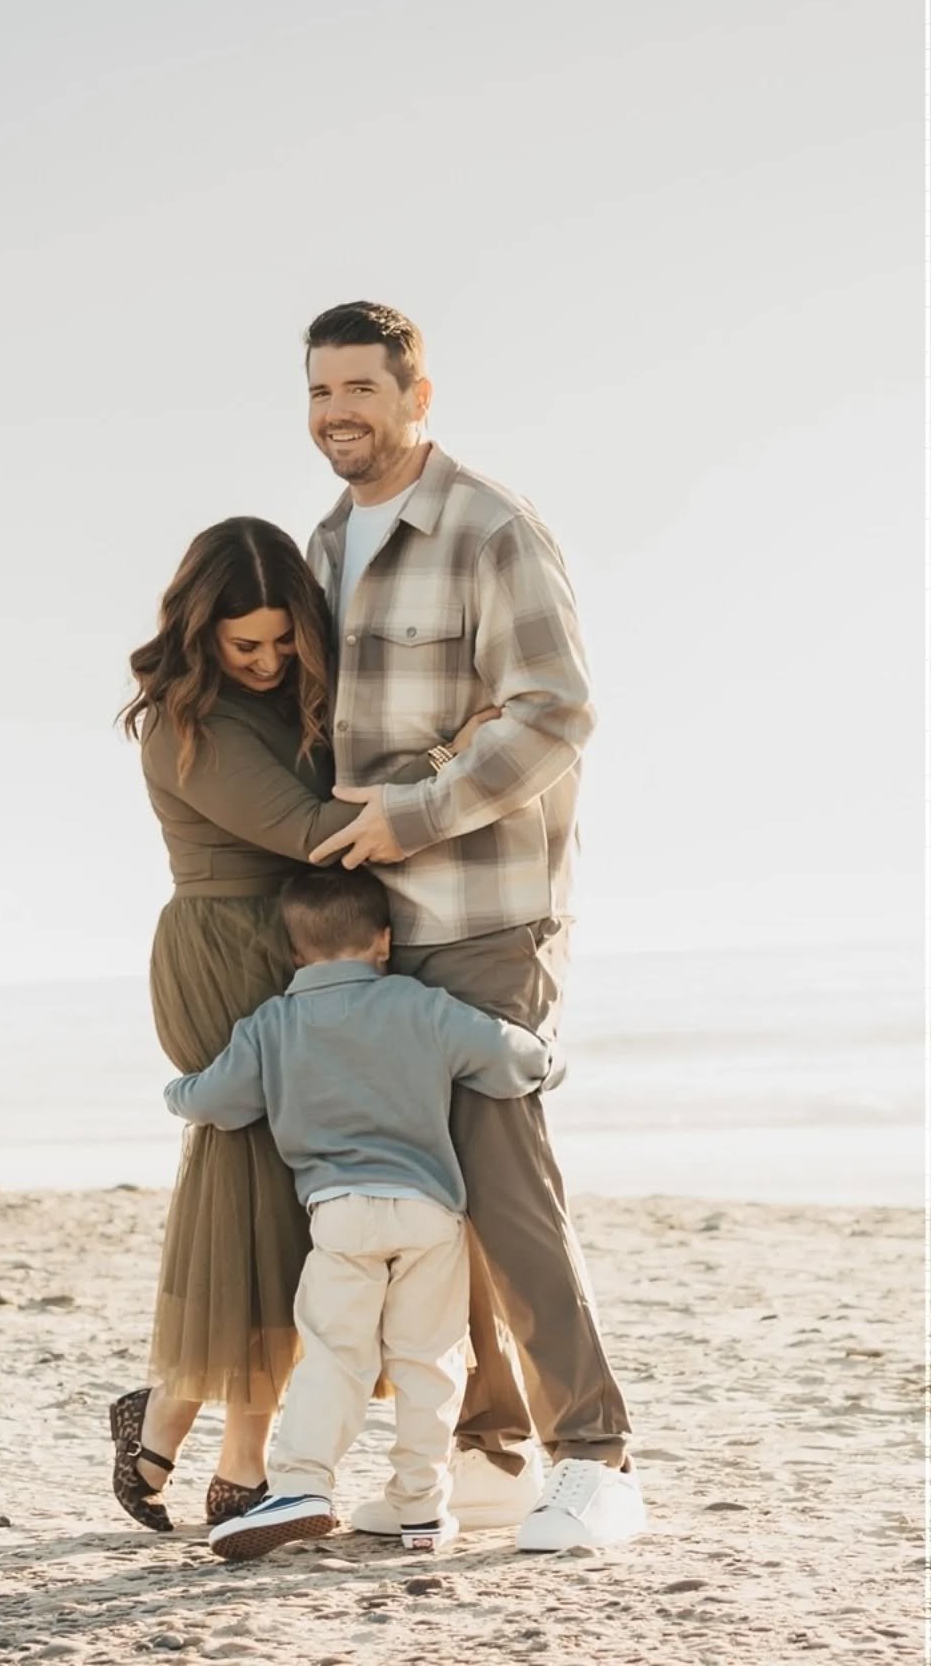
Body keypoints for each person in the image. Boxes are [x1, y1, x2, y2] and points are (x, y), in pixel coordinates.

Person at [301, 300, 647, 1552]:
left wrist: (418, 814)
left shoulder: (490, 527)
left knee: (505, 1181)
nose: (338, 413)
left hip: (488, 910)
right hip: (374, 928)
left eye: (361, 389)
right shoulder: (327, 545)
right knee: (424, 1189)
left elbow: (557, 712)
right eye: (319, 393)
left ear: (416, 393)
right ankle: (492, 1441)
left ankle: (597, 1457)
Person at [109, 517, 494, 1533]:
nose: (271, 662)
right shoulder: (182, 725)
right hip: (229, 947)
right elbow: (316, 831)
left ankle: (170, 1415)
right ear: (202, 635)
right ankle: (231, 1450)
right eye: (248, 647)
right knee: (256, 1192)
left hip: (298, 942)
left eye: (286, 642)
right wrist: (472, 790)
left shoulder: (293, 702)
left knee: (289, 1203)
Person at [164, 867, 560, 1562]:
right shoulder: (420, 1006)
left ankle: (303, 1485)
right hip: (429, 1213)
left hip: (340, 1215)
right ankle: (419, 1506)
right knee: (426, 1360)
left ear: (294, 953)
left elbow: (215, 1102)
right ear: (384, 941)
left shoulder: (272, 1025)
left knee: (334, 1357)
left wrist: (176, 1091)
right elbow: (507, 1054)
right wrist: (549, 1062)